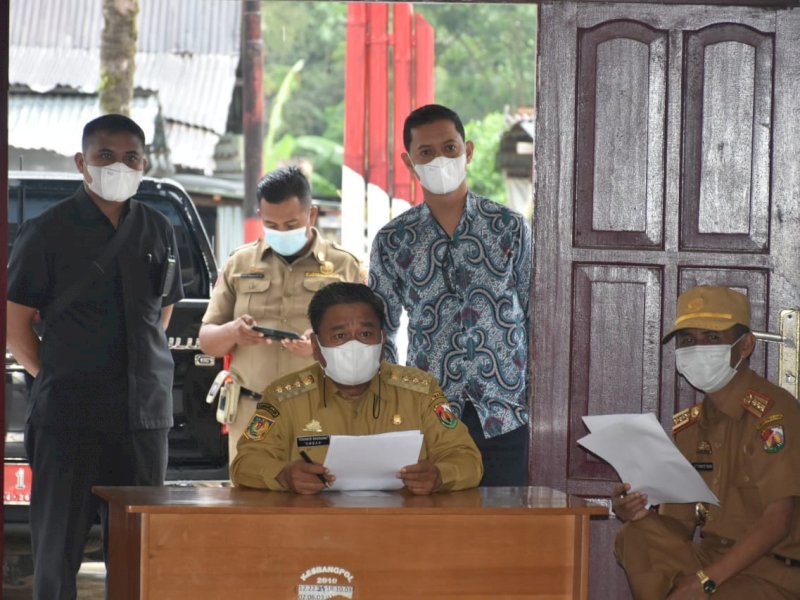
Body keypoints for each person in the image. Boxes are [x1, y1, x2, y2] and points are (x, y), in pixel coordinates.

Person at [6, 114, 183, 599]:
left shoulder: (158, 228)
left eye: (131, 157)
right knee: (56, 552)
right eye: (106, 156)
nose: (118, 166)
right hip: (68, 420)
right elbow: (15, 327)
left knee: (136, 553)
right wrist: (58, 377)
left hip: (142, 422)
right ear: (81, 162)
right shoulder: (46, 231)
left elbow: (160, 314)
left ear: (144, 165)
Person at [368, 104, 532, 486]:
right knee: (441, 519)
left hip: (505, 412)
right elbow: (382, 330)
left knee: (506, 515)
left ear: (467, 151)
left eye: (449, 148)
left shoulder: (509, 227)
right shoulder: (393, 240)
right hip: (432, 412)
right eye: (426, 152)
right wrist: (390, 407)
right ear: (409, 163)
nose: (440, 159)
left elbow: (534, 313)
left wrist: (538, 400)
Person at [612, 285, 800, 599]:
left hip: (772, 572)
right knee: (636, 535)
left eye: (712, 337)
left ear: (745, 345)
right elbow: (679, 524)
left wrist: (705, 582)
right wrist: (638, 512)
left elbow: (779, 521)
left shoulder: (774, 415)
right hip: (711, 560)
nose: (697, 348)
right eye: (688, 340)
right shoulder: (691, 427)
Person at [230, 282, 483, 495]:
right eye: (340, 336)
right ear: (316, 346)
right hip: (316, 527)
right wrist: (283, 475)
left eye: (365, 334)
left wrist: (439, 475)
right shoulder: (285, 396)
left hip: (401, 525)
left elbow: (468, 459)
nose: (354, 346)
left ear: (382, 340)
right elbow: (245, 463)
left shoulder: (420, 391)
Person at [199, 166, 363, 463]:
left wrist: (322, 346)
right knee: (251, 492)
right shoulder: (239, 264)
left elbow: (368, 347)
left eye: (291, 224)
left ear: (311, 215)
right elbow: (208, 341)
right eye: (271, 224)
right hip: (252, 414)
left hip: (320, 414)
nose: (282, 232)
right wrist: (233, 332)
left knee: (316, 490)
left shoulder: (345, 267)